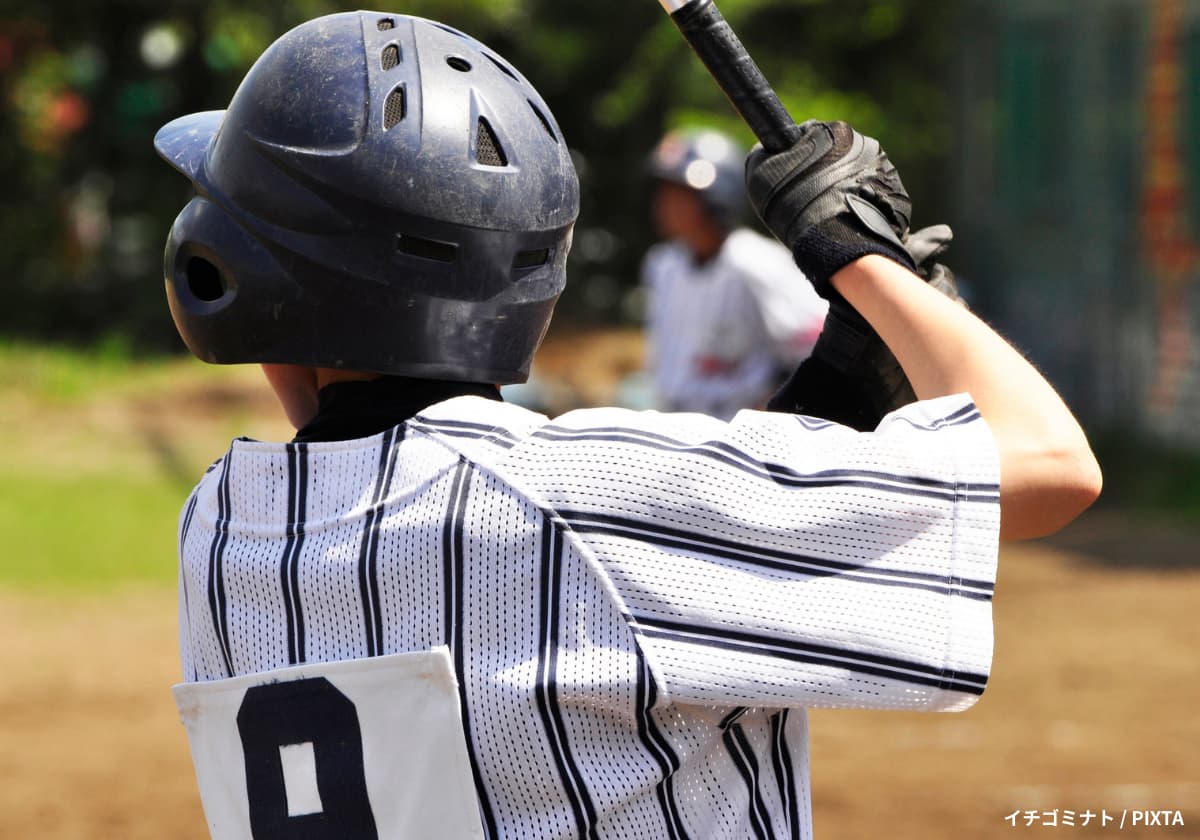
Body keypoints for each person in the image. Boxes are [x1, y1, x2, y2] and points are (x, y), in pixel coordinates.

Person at [156, 11, 1101, 840]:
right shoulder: (587, 504)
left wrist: (816, 415)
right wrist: (859, 255)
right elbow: (1052, 464)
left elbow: (528, 564)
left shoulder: (220, 531)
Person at [641, 127, 828, 419]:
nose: (664, 205)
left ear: (716, 197)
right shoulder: (663, 265)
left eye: (679, 194)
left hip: (741, 437)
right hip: (676, 430)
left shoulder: (755, 261)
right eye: (663, 193)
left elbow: (818, 345)